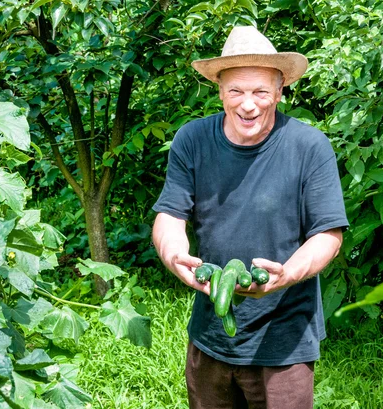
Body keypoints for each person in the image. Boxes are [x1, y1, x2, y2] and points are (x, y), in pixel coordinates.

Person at [151, 26, 349, 409]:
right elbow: (169, 217)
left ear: (279, 91)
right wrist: (175, 255)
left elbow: (329, 234)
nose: (248, 104)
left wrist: (287, 275)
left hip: (284, 341)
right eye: (236, 91)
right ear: (220, 91)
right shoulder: (192, 140)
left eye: (260, 91)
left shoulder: (309, 146)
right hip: (211, 330)